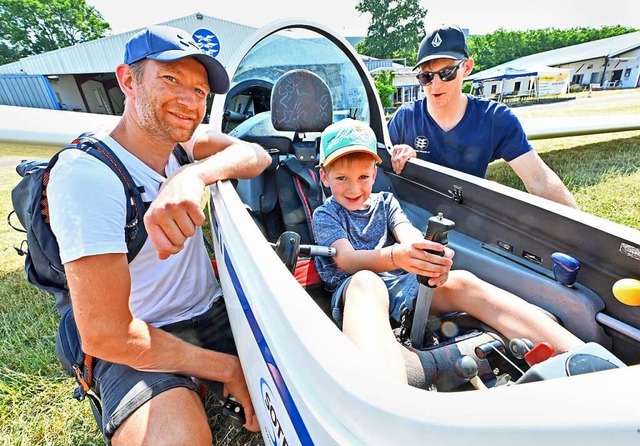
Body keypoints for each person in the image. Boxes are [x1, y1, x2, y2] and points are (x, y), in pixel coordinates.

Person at [47, 25, 272, 444]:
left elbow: (255, 155)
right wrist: (227, 368)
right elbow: (107, 334)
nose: (190, 102)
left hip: (209, 313)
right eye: (170, 79)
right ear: (128, 80)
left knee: (295, 384)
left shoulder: (179, 144)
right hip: (138, 339)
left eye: (201, 92)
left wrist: (192, 176)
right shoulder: (87, 176)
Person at [312, 118, 583, 384]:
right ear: (324, 177)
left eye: (362, 176)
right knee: (367, 282)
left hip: (402, 283)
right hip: (357, 291)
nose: (354, 188)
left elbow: (407, 233)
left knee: (463, 281)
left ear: (374, 173)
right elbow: (347, 260)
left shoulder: (385, 202)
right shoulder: (325, 215)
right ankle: (384, 396)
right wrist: (398, 256)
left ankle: (579, 358)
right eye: (341, 178)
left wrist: (427, 256)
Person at [388, 24, 578, 209]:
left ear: (467, 67)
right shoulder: (405, 119)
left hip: (470, 223)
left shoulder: (494, 118)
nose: (435, 85)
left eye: (446, 73)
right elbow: (374, 170)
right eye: (426, 77)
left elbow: (538, 180)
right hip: (415, 216)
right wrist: (401, 157)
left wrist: (583, 231)